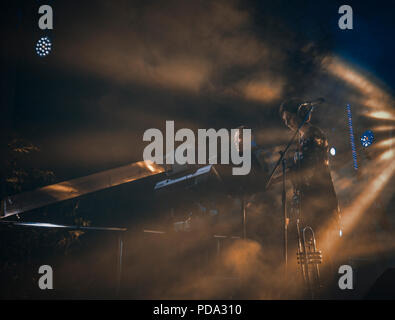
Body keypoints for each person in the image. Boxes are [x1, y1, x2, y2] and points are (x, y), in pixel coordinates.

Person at [279, 98, 341, 245]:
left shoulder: (313, 134)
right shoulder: (301, 138)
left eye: (290, 118)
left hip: (318, 196)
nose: (288, 123)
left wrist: (275, 179)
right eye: (285, 121)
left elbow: (305, 168)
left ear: (300, 114)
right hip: (307, 199)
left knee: (322, 246)